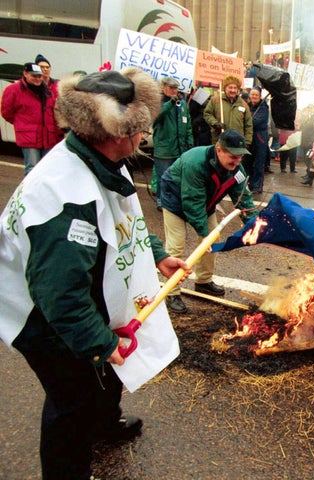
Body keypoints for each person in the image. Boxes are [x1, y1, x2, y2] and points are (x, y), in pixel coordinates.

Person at [0, 67, 190, 480]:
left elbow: (126, 219)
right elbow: (61, 297)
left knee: (105, 372)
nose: (145, 138)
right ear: (120, 133)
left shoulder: (101, 157)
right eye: (140, 130)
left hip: (73, 289)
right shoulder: (67, 200)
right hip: (42, 317)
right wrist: (100, 342)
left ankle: (105, 426)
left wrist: (155, 254)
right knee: (72, 399)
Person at [159, 128, 258, 313]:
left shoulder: (237, 170)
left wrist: (253, 225)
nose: (237, 161)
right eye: (233, 155)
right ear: (219, 149)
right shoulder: (195, 162)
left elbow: (243, 198)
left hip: (205, 202)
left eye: (240, 157)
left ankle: (203, 281)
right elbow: (192, 200)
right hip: (176, 200)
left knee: (212, 241)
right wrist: (203, 233)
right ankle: (171, 293)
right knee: (176, 245)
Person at [1, 62, 64, 176]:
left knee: (48, 169)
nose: (37, 79)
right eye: (34, 76)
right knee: (32, 169)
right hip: (29, 138)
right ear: (25, 74)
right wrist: (22, 125)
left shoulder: (47, 91)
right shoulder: (14, 90)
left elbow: (53, 112)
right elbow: (7, 112)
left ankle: (43, 194)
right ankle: (27, 194)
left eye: (39, 76)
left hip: (48, 137)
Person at [152, 76, 194, 210]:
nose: (174, 91)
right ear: (163, 87)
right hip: (164, 148)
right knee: (163, 176)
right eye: (171, 88)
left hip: (179, 148)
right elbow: (156, 116)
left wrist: (190, 142)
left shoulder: (182, 104)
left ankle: (174, 200)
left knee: (177, 177)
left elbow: (187, 125)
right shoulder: (158, 102)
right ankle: (160, 199)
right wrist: (170, 103)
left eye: (176, 88)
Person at [203, 74, 253, 147]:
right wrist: (215, 123)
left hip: (237, 143)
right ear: (225, 88)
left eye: (235, 88)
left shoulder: (243, 104)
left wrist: (247, 142)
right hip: (220, 141)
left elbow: (248, 125)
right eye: (230, 87)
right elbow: (207, 114)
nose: (233, 90)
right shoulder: (215, 100)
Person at [247, 86, 270, 193]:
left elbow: (255, 122)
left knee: (258, 162)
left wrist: (246, 121)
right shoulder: (247, 106)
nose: (254, 96)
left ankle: (257, 186)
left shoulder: (263, 107)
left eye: (256, 95)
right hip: (249, 137)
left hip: (259, 137)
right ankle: (250, 184)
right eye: (252, 94)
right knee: (248, 161)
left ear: (260, 96)